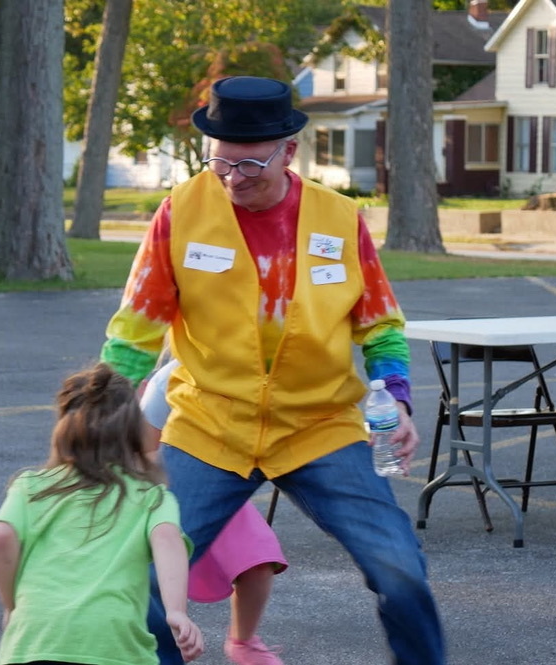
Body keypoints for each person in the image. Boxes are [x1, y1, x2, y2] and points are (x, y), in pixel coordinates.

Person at [100, 75, 445, 665]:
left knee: (403, 574)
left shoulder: (340, 219)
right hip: (211, 424)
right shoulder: (179, 213)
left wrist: (397, 398)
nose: (234, 179)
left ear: (290, 150)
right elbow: (136, 328)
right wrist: (97, 418)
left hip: (319, 426)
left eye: (250, 165)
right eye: (221, 165)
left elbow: (380, 324)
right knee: (137, 579)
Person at [0, 364, 204, 665]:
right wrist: (176, 611)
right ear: (132, 431)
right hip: (112, 642)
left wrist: (11, 605)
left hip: (35, 637)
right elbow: (168, 539)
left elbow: (1, 536)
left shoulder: (31, 487)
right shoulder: (150, 495)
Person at [141, 360, 288, 665]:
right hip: (171, 488)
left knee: (259, 559)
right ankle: (160, 640)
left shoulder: (265, 378)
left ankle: (242, 641)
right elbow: (141, 453)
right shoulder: (170, 380)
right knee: (158, 577)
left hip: (226, 481)